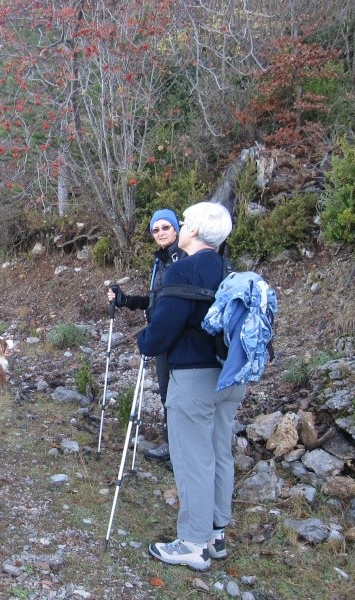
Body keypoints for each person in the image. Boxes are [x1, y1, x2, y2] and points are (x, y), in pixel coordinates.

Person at [134, 201, 245, 571]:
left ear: (193, 231)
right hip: (229, 376)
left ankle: (192, 543)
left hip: (194, 378)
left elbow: (159, 334)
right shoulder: (228, 269)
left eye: (183, 223)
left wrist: (143, 340)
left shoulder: (184, 269)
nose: (179, 227)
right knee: (219, 452)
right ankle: (215, 533)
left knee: (193, 459)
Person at [108, 208, 185, 465]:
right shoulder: (160, 262)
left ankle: (181, 450)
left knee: (177, 392)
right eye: (156, 229)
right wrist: (125, 300)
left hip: (177, 335)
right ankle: (173, 445)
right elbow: (155, 301)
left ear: (176, 229)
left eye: (166, 227)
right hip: (162, 334)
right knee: (165, 391)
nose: (161, 233)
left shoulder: (181, 258)